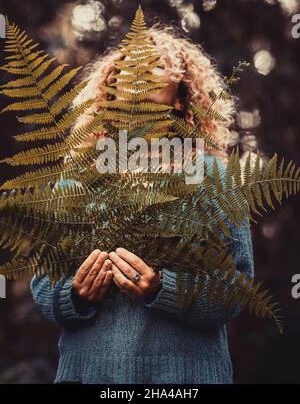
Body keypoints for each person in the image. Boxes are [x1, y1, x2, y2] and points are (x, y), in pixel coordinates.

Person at [30, 22, 254, 384]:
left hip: (184, 380)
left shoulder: (211, 175)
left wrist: (162, 288)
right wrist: (75, 295)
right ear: (111, 95)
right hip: (89, 375)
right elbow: (43, 284)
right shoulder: (79, 178)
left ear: (180, 100)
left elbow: (236, 288)